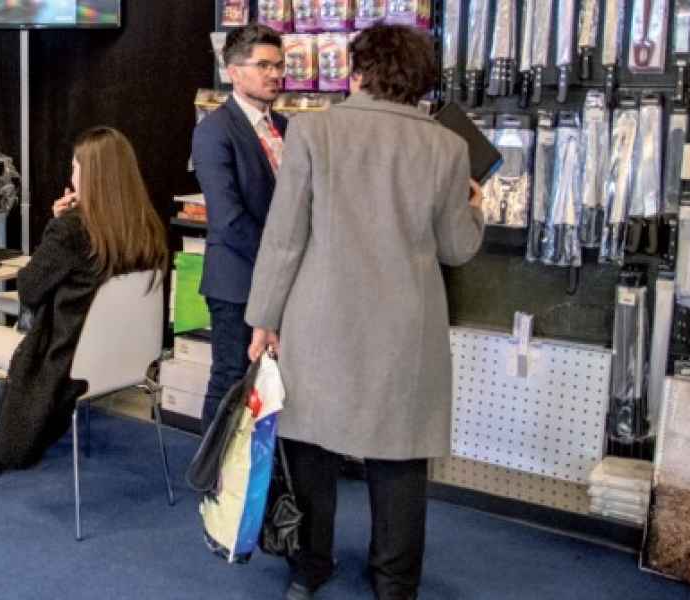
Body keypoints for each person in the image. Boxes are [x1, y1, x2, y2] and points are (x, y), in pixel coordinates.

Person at [243, 26, 485, 600]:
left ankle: (308, 568)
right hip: (405, 327)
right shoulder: (447, 148)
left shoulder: (312, 131)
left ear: (357, 72)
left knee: (309, 447)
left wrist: (263, 319)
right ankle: (394, 583)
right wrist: (476, 207)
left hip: (319, 317)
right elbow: (457, 248)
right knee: (400, 455)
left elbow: (284, 238)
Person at [0, 126, 168, 471]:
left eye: (75, 167)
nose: (71, 176)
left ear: (92, 175)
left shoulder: (71, 230)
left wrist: (55, 225)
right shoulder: (146, 228)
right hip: (124, 358)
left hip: (66, 363)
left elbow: (29, 290)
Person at [191, 23, 288, 430]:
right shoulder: (214, 130)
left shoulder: (285, 126)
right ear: (234, 71)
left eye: (279, 65)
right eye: (263, 65)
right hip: (237, 280)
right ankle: (214, 468)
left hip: (280, 279)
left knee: (273, 384)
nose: (274, 74)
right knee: (231, 382)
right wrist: (279, 262)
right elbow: (228, 219)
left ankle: (261, 468)